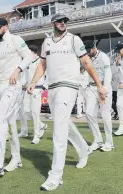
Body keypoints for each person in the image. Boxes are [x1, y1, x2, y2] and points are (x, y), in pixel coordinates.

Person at [27, 14, 106, 191]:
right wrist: (33, 82)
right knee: (63, 124)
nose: (63, 23)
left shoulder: (74, 39)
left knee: (58, 130)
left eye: (65, 21)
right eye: (59, 21)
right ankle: (83, 149)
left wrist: (100, 85)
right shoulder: (46, 42)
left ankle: (56, 175)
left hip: (69, 86)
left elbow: (86, 62)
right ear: (53, 23)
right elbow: (42, 65)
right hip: (52, 88)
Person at [0, 17, 34, 182]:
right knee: (10, 123)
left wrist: (17, 71)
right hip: (0, 85)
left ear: (6, 26)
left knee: (0, 118)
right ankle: (16, 158)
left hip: (14, 84)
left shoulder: (16, 40)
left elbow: (29, 57)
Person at [85, 41, 114, 152]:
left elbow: (108, 74)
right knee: (88, 113)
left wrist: (104, 90)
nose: (88, 53)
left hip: (103, 87)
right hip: (91, 87)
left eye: (89, 50)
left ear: (94, 48)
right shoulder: (88, 57)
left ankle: (109, 142)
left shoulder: (104, 57)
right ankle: (98, 140)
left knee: (105, 115)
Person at [20, 45, 48, 145]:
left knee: (35, 113)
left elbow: (47, 74)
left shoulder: (41, 61)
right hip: (28, 89)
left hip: (37, 89)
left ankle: (36, 136)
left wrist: (44, 87)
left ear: (34, 52)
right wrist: (22, 85)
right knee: (26, 110)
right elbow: (24, 76)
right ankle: (41, 125)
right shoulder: (27, 62)